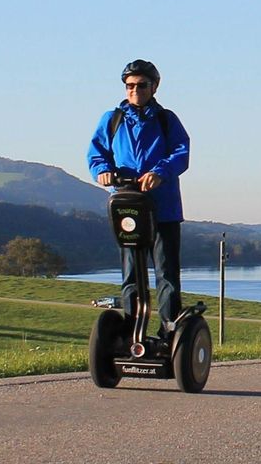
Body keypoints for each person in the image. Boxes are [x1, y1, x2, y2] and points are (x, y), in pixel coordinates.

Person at [87, 59, 190, 334]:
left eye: (141, 85)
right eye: (129, 85)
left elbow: (181, 153)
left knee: (166, 274)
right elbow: (96, 153)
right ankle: (133, 330)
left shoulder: (166, 120)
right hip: (128, 208)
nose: (134, 90)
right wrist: (103, 171)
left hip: (164, 208)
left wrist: (160, 172)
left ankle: (169, 329)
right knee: (131, 274)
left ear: (154, 87)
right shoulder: (112, 119)